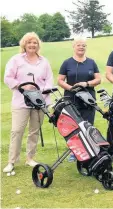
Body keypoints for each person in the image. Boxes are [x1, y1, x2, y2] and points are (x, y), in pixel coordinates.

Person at [3, 32, 54, 173]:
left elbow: (49, 80)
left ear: (38, 45)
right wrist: (22, 86)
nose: (32, 45)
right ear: (24, 44)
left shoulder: (44, 61)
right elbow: (8, 78)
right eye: (29, 42)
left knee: (34, 131)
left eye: (35, 43)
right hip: (21, 102)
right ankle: (12, 161)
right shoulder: (16, 60)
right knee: (17, 131)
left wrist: (41, 92)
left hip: (39, 102)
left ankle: (30, 158)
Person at [58, 36, 101, 162]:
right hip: (71, 99)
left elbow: (98, 79)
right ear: (74, 46)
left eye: (83, 45)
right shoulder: (67, 63)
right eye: (79, 45)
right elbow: (60, 80)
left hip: (88, 99)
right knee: (73, 126)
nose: (81, 47)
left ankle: (89, 151)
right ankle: (75, 152)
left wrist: (86, 84)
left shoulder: (91, 62)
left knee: (87, 125)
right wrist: (71, 88)